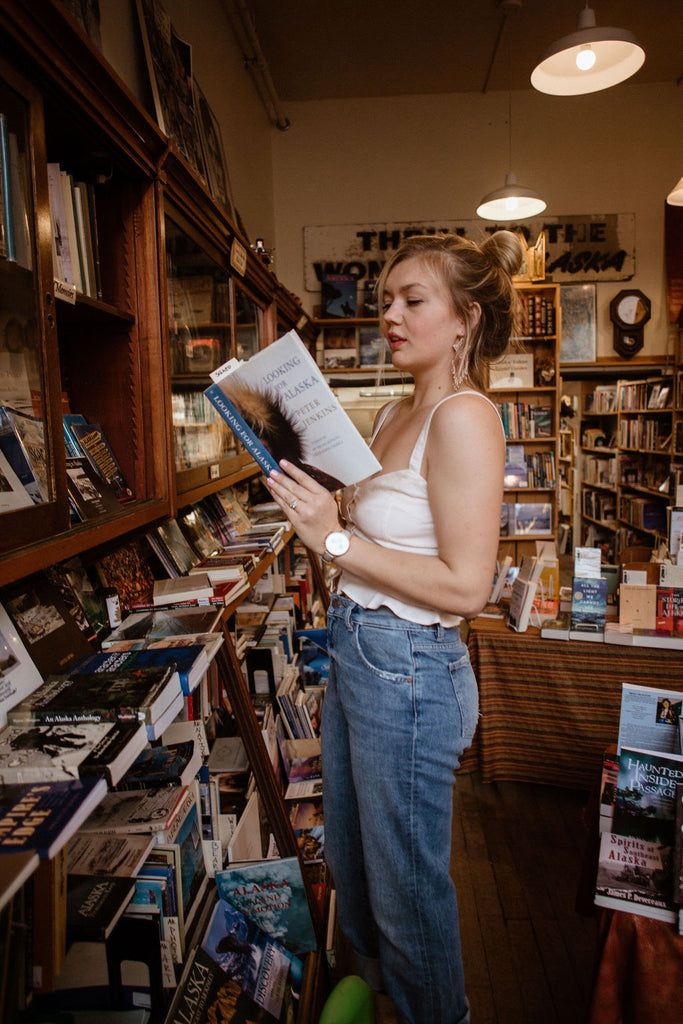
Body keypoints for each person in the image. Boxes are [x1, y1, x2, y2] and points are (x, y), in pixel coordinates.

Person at [266, 230, 523, 1024]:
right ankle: (387, 1007)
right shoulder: (387, 414)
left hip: (409, 665)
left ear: (463, 320)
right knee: (355, 860)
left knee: (408, 889)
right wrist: (322, 504)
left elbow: (466, 585)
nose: (391, 315)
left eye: (414, 300)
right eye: (384, 301)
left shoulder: (464, 417)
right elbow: (377, 536)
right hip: (358, 650)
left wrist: (334, 539)